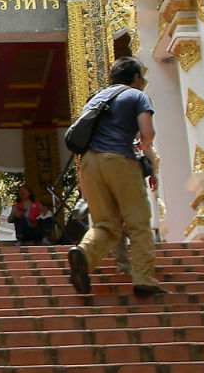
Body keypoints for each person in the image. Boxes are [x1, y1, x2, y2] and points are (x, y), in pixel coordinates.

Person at [67, 56, 162, 298]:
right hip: (119, 159)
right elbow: (147, 132)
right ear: (137, 78)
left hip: (89, 163)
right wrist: (146, 147)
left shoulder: (95, 99)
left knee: (105, 224)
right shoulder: (137, 95)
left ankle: (84, 254)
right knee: (137, 222)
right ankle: (144, 279)